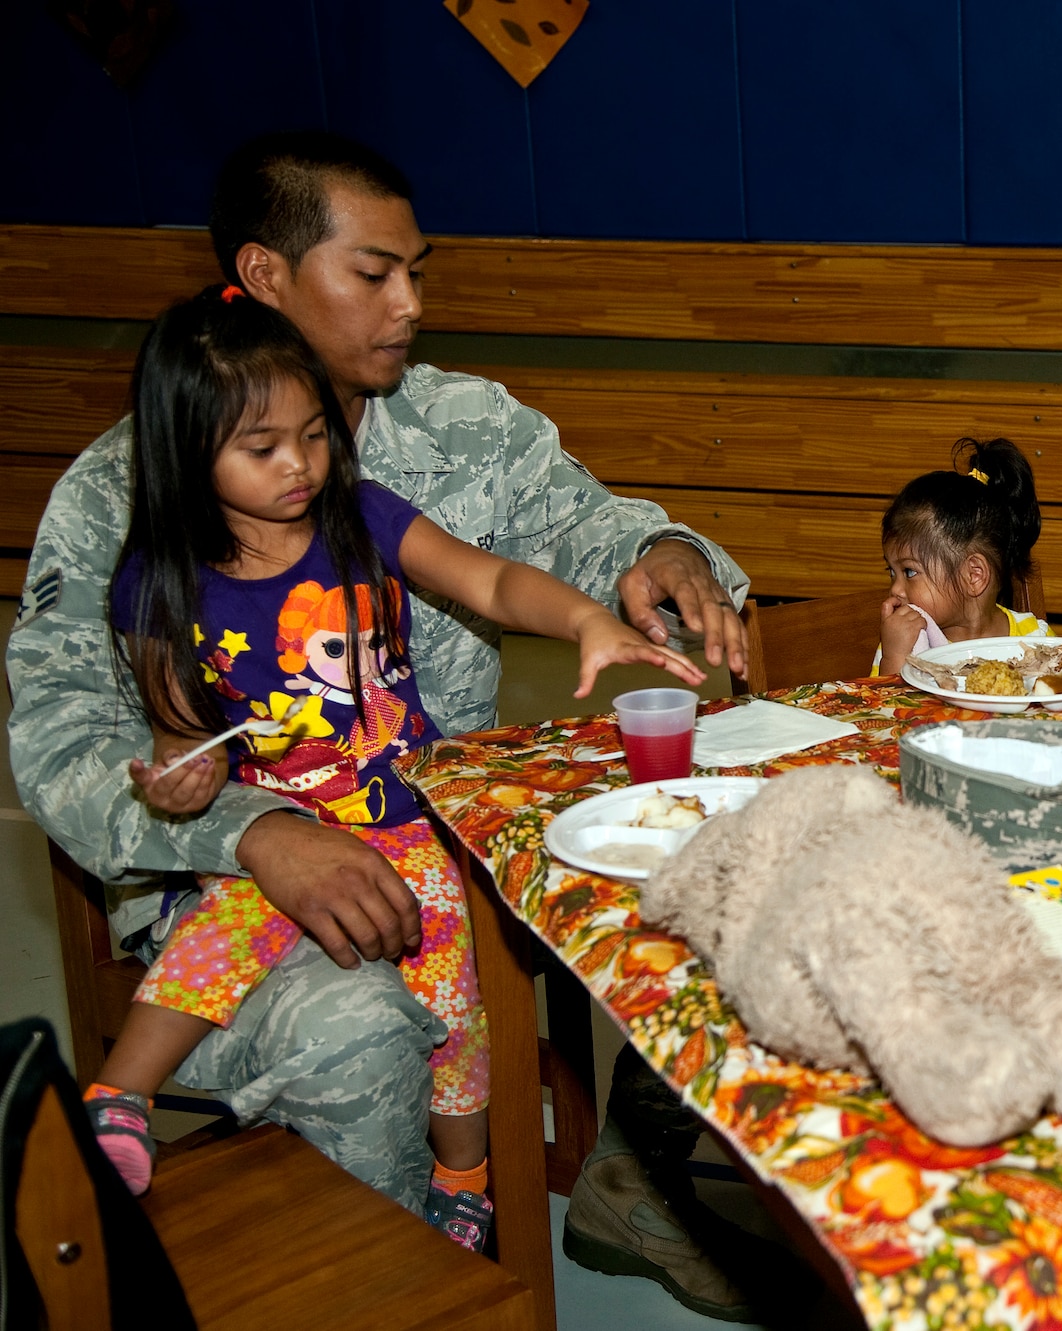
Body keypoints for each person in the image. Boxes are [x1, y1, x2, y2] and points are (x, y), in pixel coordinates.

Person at [8, 129, 749, 1271]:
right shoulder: (132, 484)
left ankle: (630, 1176)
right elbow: (60, 742)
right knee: (365, 1029)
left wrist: (663, 552)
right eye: (373, 274)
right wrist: (251, 827)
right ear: (264, 276)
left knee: (719, 867)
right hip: (223, 889)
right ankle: (407, 1278)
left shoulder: (453, 423)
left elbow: (577, 530)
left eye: (419, 269)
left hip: (435, 825)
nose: (409, 304)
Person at [80, 287, 688, 1252]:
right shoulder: (157, 581)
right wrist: (182, 785)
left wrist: (582, 616)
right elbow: (179, 745)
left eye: (316, 434)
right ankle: (116, 1097)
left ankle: (462, 1176)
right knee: (219, 934)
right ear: (186, 452)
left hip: (407, 817)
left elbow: (484, 578)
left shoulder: (357, 514)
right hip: (281, 830)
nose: (301, 465)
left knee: (456, 995)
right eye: (263, 447)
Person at [876, 438, 1048, 675]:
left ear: (973, 575)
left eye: (910, 571)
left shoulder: (1036, 639)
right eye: (892, 572)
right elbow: (884, 710)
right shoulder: (905, 642)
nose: (895, 589)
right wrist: (894, 658)